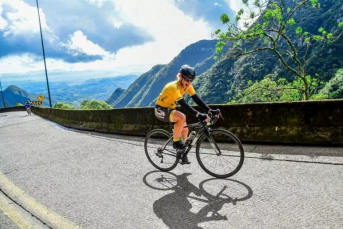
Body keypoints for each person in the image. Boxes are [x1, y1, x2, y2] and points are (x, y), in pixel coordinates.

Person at [155, 64, 219, 163]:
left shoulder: (188, 86)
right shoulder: (173, 87)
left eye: (191, 81)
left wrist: (209, 110)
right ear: (181, 77)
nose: (189, 83)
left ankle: (181, 153)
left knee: (185, 130)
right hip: (161, 110)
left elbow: (196, 98)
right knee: (182, 117)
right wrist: (199, 115)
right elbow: (183, 104)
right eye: (187, 80)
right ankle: (176, 142)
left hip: (170, 109)